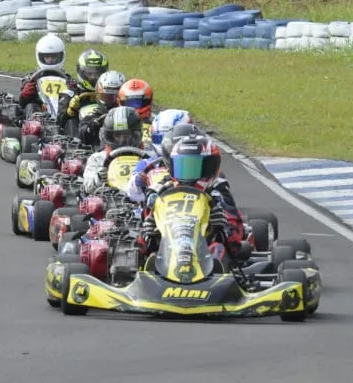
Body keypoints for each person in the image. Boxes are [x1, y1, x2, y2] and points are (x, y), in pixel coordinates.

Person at [137, 133, 246, 264]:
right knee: (144, 253)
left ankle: (215, 274)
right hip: (166, 249)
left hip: (205, 250)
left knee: (218, 250)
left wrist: (222, 229)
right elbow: (142, 230)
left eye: (193, 167)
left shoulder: (217, 191)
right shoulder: (161, 190)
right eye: (182, 166)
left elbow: (235, 237)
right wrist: (149, 231)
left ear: (209, 167)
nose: (187, 174)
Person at [126, 113, 195, 204]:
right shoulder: (146, 165)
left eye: (172, 140)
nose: (167, 144)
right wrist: (138, 181)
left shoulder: (197, 163)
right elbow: (131, 194)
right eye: (161, 138)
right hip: (157, 212)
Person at [81, 106, 146, 194]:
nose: (122, 140)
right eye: (118, 135)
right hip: (110, 202)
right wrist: (100, 177)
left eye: (127, 135)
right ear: (110, 136)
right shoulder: (98, 158)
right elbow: (87, 187)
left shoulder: (147, 158)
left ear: (135, 135)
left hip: (141, 199)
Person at [57, 49, 109, 130]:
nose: (93, 77)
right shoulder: (71, 92)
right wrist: (70, 111)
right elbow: (58, 121)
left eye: (97, 73)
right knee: (71, 122)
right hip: (77, 133)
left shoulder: (108, 91)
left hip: (104, 129)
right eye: (89, 73)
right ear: (81, 72)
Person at [19, 34, 74, 110]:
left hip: (61, 113)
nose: (50, 60)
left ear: (61, 56)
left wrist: (72, 91)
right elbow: (22, 104)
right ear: (40, 56)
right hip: (39, 113)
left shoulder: (68, 79)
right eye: (47, 57)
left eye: (54, 56)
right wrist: (25, 95)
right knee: (31, 106)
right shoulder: (31, 79)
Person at [74, 70, 128, 147]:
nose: (112, 101)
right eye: (108, 97)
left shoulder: (130, 117)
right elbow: (82, 134)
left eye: (115, 97)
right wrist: (94, 125)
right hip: (102, 155)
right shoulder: (94, 117)